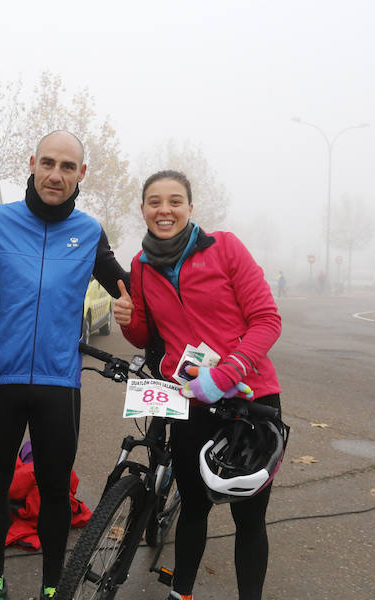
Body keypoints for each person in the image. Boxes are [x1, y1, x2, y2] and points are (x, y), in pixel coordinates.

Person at [0, 130, 128, 600]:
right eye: (49, 163)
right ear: (33, 163)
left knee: (55, 491)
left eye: (68, 167)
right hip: (0, 379)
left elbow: (129, 287)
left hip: (59, 383)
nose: (56, 175)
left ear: (82, 174)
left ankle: (53, 588)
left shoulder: (89, 231)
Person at [113, 170, 282, 600]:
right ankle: (181, 594)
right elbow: (147, 335)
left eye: (174, 201)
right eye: (154, 201)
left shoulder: (224, 248)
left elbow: (267, 320)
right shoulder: (141, 265)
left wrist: (225, 373)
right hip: (189, 398)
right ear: (143, 209)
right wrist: (128, 319)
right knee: (193, 505)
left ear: (190, 207)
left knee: (249, 516)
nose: (164, 210)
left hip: (251, 397)